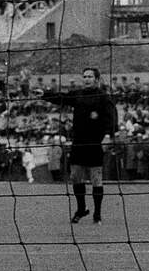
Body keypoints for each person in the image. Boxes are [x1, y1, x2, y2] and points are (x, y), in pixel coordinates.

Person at [39, 67, 118, 223]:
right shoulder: (78, 95)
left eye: (90, 76)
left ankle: (97, 213)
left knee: (96, 178)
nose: (87, 79)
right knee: (75, 176)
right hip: (79, 141)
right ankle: (81, 209)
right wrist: (45, 95)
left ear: (96, 79)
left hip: (95, 142)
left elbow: (112, 117)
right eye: (85, 76)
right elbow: (62, 97)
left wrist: (108, 135)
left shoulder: (104, 97)